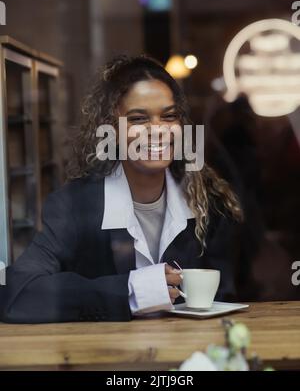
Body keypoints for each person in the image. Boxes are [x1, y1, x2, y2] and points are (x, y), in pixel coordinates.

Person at [0, 55, 242, 323]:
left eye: (169, 116)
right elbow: (18, 294)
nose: (158, 130)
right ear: (112, 131)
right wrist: (131, 290)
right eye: (138, 119)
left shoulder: (209, 205)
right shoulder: (75, 206)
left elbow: (227, 302)